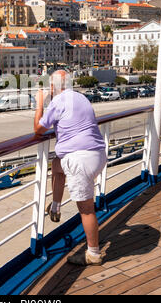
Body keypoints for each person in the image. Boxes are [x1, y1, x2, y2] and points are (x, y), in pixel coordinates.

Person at [34, 70, 107, 266]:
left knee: (86, 210)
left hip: (80, 160)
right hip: (98, 155)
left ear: (53, 87)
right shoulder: (81, 97)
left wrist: (40, 103)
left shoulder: (58, 102)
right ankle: (56, 206)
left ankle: (93, 253)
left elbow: (38, 129)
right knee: (57, 165)